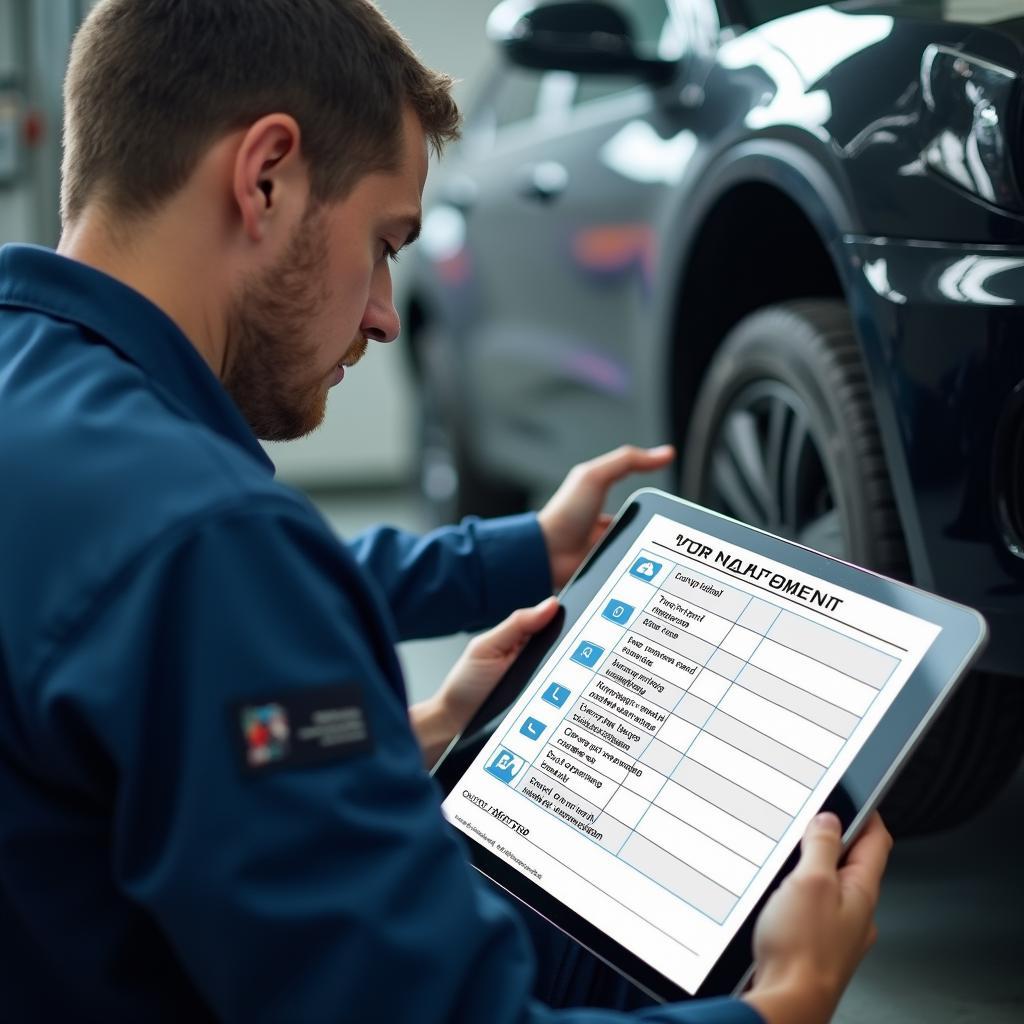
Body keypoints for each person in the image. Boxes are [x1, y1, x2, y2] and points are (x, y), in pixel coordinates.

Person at [0, 1, 892, 1021]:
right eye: (386, 241)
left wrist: (404, 726)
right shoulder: (208, 538)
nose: (385, 312)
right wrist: (781, 999)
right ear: (266, 177)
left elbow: (148, 614)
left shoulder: (54, 414)